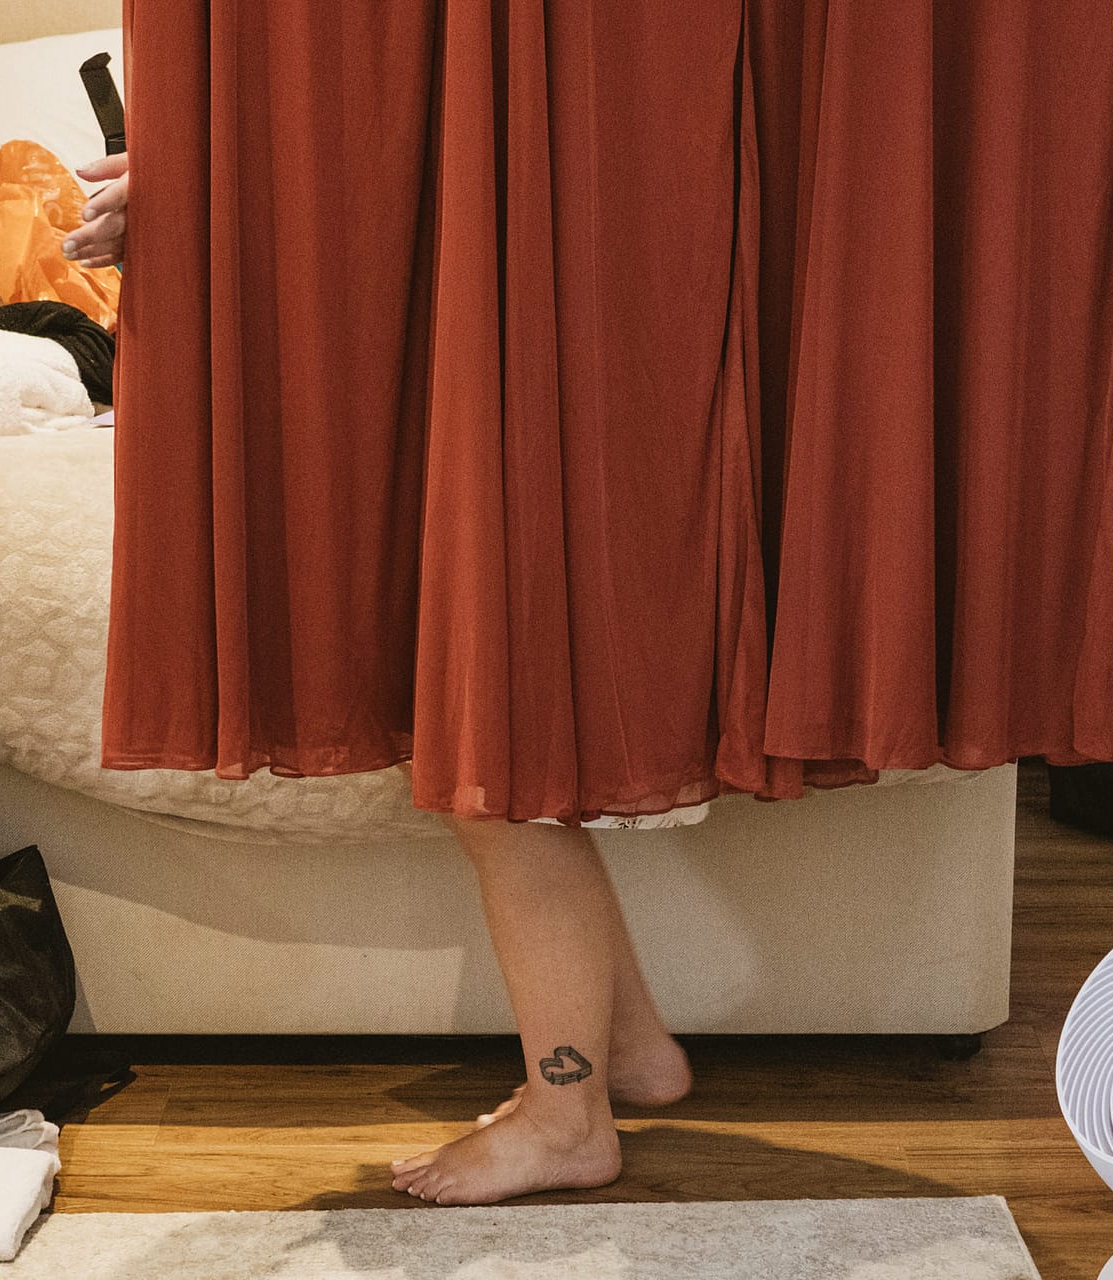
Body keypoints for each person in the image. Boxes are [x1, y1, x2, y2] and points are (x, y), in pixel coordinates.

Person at [66, 155, 694, 1207]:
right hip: (478, 306)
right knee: (485, 743)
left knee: (496, 764)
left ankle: (567, 1111)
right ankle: (628, 1052)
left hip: (485, 317)